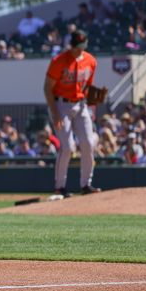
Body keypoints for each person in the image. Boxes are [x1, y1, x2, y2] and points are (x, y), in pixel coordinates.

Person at [44, 29, 101, 197]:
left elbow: (89, 87)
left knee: (88, 144)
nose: (78, 49)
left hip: (81, 104)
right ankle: (60, 187)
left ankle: (86, 184)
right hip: (61, 105)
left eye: (81, 46)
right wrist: (54, 113)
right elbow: (47, 88)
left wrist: (92, 107)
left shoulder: (91, 61)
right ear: (71, 45)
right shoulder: (59, 61)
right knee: (68, 147)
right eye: (76, 46)